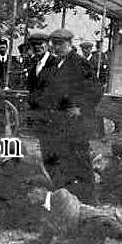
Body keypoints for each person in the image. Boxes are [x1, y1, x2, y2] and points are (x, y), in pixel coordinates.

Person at [25, 29, 97, 203]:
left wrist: (81, 108)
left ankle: (90, 200)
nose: (57, 47)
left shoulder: (79, 63)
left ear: (70, 44)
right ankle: (69, 198)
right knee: (63, 161)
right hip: (59, 122)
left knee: (81, 162)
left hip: (75, 123)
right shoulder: (58, 63)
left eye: (61, 44)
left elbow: (95, 90)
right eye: (54, 44)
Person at [95, 140, 122, 207]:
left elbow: (107, 176)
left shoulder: (111, 162)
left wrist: (98, 170)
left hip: (109, 192)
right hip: (115, 193)